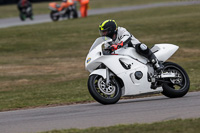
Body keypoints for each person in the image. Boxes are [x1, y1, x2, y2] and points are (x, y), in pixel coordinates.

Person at [98, 19, 164, 72]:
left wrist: (118, 45)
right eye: (102, 32)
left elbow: (127, 37)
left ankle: (156, 63)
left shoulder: (121, 30)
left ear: (111, 30)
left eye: (105, 31)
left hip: (134, 48)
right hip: (124, 55)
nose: (103, 34)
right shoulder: (108, 40)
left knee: (141, 47)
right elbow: (107, 49)